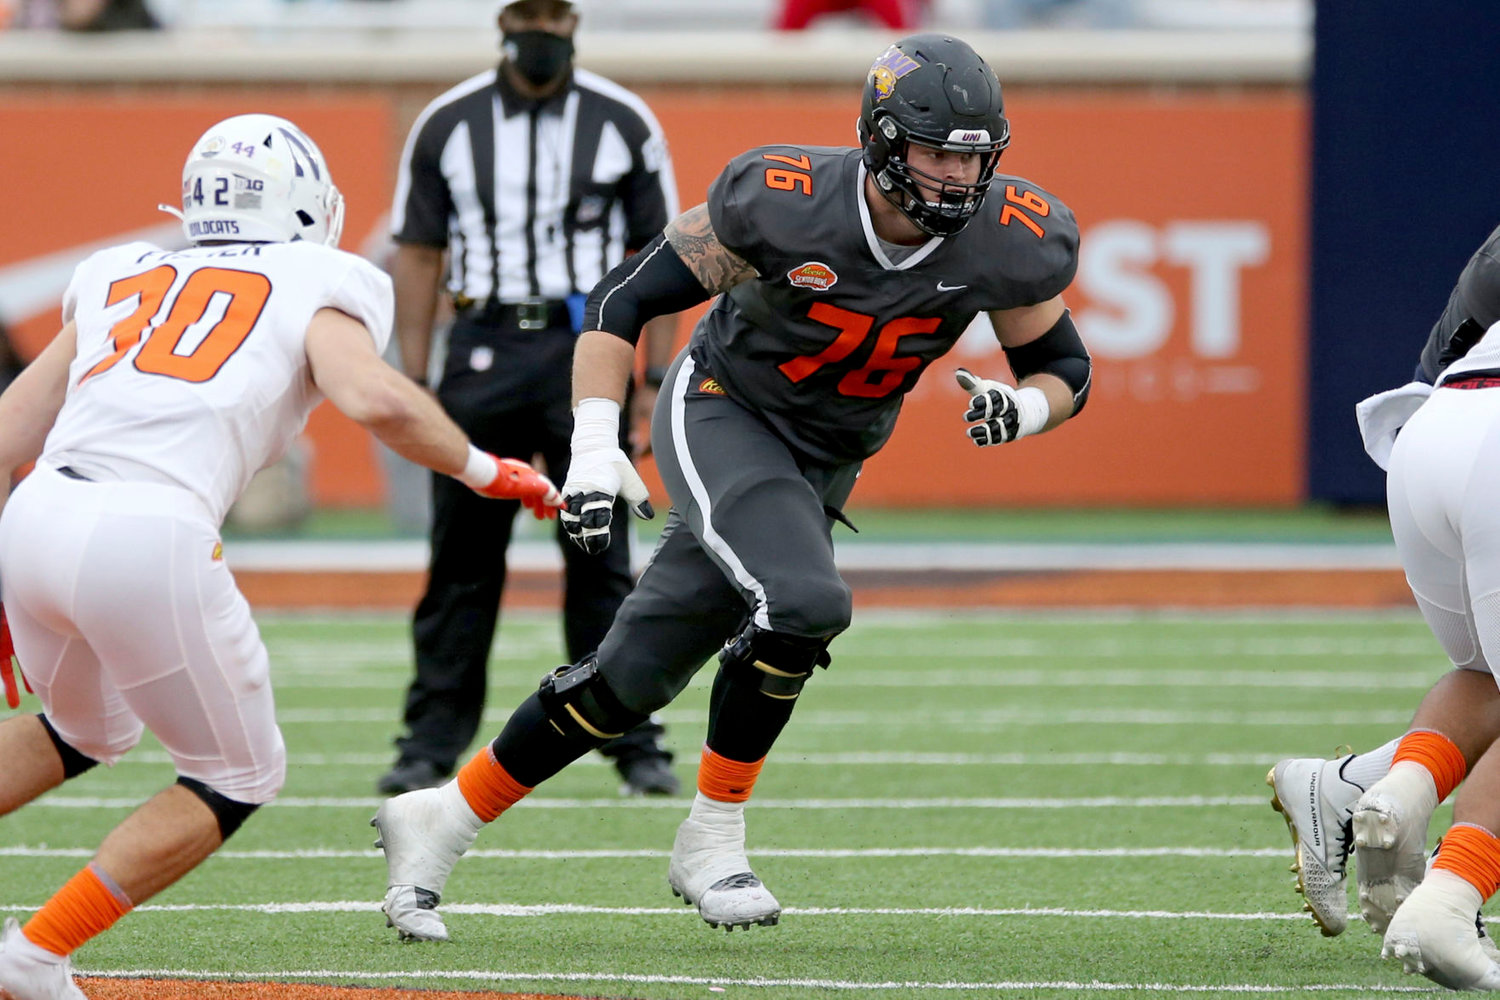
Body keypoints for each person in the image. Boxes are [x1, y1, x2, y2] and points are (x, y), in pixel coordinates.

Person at [370, 33, 1091, 941]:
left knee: (632, 675)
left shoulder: (1009, 240)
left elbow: (1061, 361)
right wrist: (597, 441)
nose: (957, 175)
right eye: (937, 150)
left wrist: (1026, 409)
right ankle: (712, 837)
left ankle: (441, 817)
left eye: (974, 156)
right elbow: (623, 296)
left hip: (827, 453)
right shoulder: (783, 201)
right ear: (879, 138)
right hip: (724, 410)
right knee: (803, 600)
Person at [0, 113, 560, 1000]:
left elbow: (6, 435)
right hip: (148, 527)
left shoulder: (121, 273)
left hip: (37, 517)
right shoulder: (319, 275)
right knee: (236, 773)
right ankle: (34, 954)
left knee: (84, 732)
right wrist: (486, 469)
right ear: (302, 205)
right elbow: (374, 398)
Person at [377, 0, 681, 799]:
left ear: (574, 21)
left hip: (591, 346)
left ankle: (631, 735)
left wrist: (650, 380)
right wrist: (415, 381)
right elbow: (418, 250)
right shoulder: (449, 121)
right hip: (482, 346)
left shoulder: (623, 119)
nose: (541, 29)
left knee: (600, 554)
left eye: (554, 14)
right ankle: (431, 739)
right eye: (528, 13)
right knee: (461, 558)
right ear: (503, 20)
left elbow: (665, 258)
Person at [1267, 224, 1500, 984]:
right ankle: (1450, 896)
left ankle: (1362, 789)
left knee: (1485, 676)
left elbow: (1450, 341)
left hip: (1440, 420)